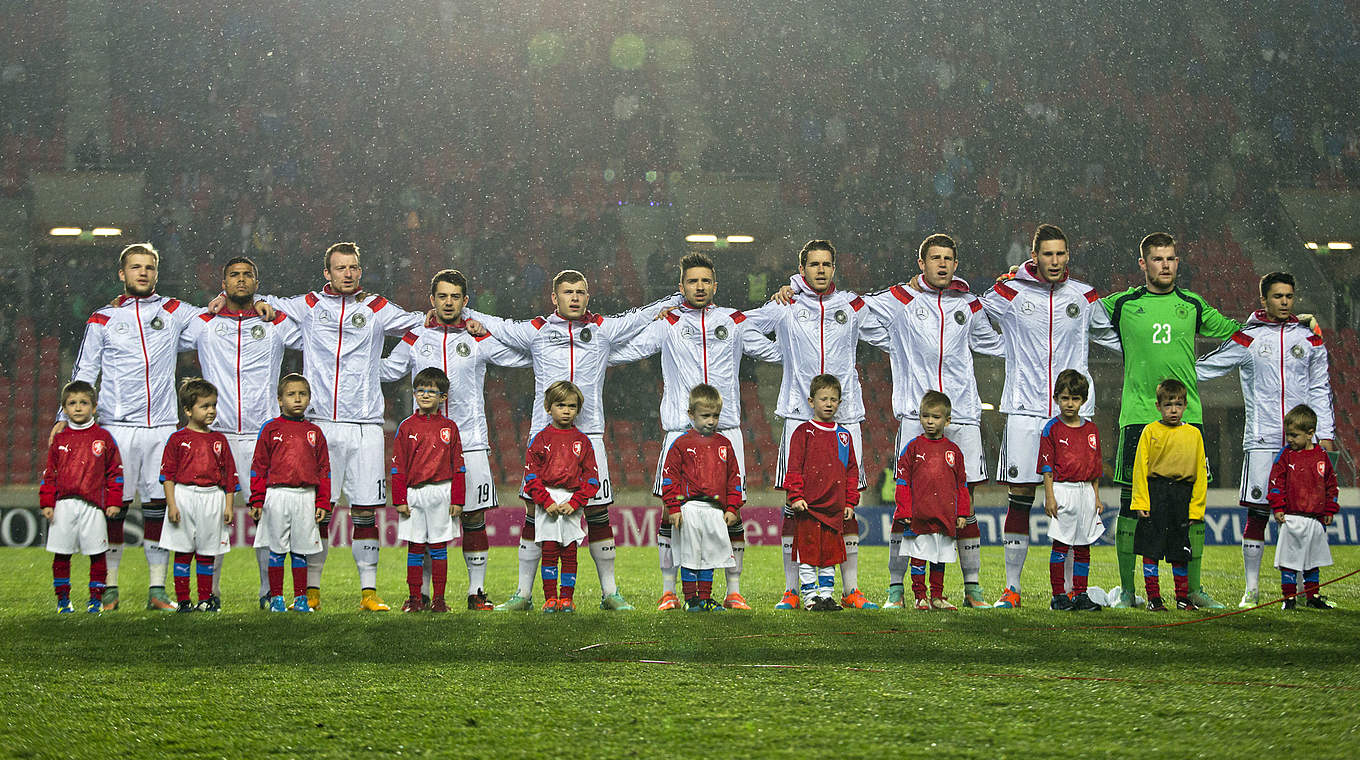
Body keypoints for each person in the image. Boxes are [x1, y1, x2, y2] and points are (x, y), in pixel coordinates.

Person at [463, 269, 679, 612]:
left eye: (580, 292)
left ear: (588, 296)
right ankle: (523, 594)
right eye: (567, 292)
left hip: (589, 436)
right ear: (555, 297)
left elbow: (639, 317)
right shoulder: (537, 331)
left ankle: (610, 593)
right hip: (544, 438)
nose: (574, 297)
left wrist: (676, 300)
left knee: (597, 513)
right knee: (534, 514)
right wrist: (467, 314)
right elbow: (500, 324)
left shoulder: (603, 330)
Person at [249, 242, 425, 611]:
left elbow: (420, 326)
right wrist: (259, 300)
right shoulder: (311, 305)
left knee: (365, 511)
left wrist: (388, 369)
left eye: (353, 267)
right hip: (321, 425)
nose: (347, 273)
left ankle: (369, 592)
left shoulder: (376, 308)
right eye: (340, 268)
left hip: (365, 426)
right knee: (320, 511)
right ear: (326, 273)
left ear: (360, 271)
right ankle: (311, 592)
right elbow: (266, 301)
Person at [608, 253, 779, 611]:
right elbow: (625, 351)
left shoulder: (733, 321)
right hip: (679, 433)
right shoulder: (667, 322)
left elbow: (775, 345)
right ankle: (669, 591)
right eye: (692, 281)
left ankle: (733, 590)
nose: (699, 287)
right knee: (672, 514)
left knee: (732, 512)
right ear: (681, 286)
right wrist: (600, 344)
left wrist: (787, 298)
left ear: (715, 286)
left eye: (705, 281)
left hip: (726, 430)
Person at [63, 244, 211, 611]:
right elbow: (84, 373)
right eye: (135, 268)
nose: (142, 273)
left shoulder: (174, 312)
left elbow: (215, 320)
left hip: (161, 427)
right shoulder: (102, 319)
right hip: (116, 427)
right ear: (122, 274)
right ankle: (109, 589)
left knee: (159, 507)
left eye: (149, 268)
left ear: (156, 273)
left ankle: (157, 591)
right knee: (115, 507)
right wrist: (63, 421)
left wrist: (230, 301)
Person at [862, 234, 1003, 608]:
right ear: (920, 263)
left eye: (948, 259)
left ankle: (971, 587)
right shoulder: (900, 300)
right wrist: (892, 339)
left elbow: (994, 343)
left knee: (964, 505)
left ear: (956, 265)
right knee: (909, 506)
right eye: (935, 258)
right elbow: (852, 314)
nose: (942, 264)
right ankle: (896, 588)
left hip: (964, 416)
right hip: (916, 417)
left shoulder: (969, 305)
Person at [982, 224, 1119, 608]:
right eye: (1048, 255)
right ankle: (1012, 588)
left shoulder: (1085, 295)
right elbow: (968, 313)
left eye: (1061, 254)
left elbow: (1114, 333)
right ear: (1034, 255)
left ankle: (1074, 593)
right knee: (1021, 497)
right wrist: (1004, 349)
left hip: (1074, 413)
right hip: (1026, 410)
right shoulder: (1009, 292)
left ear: (1068, 255)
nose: (1055, 262)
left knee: (1075, 501)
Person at [1102, 233, 1241, 609]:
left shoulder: (1192, 305)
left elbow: (1237, 331)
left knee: (1190, 510)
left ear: (1178, 263)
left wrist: (1280, 320)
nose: (1166, 264)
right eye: (1158, 259)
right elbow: (1074, 313)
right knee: (1131, 507)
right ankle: (1128, 592)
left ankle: (1192, 590)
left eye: (1171, 258)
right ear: (1142, 264)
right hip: (1138, 420)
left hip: (1187, 421)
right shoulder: (1124, 304)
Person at [750, 240, 889, 611]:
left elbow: (889, 333)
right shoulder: (786, 305)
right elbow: (743, 328)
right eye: (814, 264)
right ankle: (792, 590)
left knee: (846, 505)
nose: (822, 270)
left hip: (846, 417)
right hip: (800, 415)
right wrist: (782, 354)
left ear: (834, 268)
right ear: (802, 268)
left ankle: (851, 589)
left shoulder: (852, 305)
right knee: (794, 506)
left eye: (827, 264)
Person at [381, 269, 530, 610]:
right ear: (431, 299)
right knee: (427, 527)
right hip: (424, 445)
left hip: (470, 441)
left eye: (455, 297)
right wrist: (345, 365)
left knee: (474, 519)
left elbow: (518, 358)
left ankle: (475, 593)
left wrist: (491, 332)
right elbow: (390, 370)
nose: (448, 302)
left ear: (465, 302)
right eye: (442, 296)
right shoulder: (415, 336)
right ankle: (421, 596)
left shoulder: (477, 337)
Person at [1195, 272, 1336, 608]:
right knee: (1258, 515)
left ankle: (1307, 592)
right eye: (1277, 297)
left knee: (1307, 517)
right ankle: (1252, 589)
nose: (1284, 302)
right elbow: (1207, 366)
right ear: (1264, 300)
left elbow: (1320, 389)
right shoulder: (1249, 339)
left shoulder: (1311, 340)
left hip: (1303, 443)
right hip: (1262, 439)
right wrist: (1166, 364)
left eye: (1289, 296)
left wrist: (1326, 433)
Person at [180, 256, 300, 608]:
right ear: (223, 282)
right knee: (212, 520)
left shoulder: (274, 324)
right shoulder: (204, 323)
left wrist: (274, 308)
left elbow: (315, 337)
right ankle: (210, 594)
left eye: (248, 275)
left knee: (268, 518)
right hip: (216, 436)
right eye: (234, 275)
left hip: (264, 437)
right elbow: (163, 329)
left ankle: (270, 592)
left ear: (257, 282)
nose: (241, 280)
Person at [249, 374, 331, 613]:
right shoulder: (270, 428)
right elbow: (259, 466)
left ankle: (301, 599)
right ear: (280, 400)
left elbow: (324, 469)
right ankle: (276, 598)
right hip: (277, 495)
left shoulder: (314, 432)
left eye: (302, 394)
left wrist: (323, 501)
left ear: (309, 398)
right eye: (291, 394)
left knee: (300, 551)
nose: (297, 399)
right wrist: (257, 498)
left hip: (306, 496)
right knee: (276, 550)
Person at [40, 381, 122, 614]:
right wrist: (47, 502)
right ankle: (63, 600)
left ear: (94, 407)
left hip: (93, 506)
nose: (77, 408)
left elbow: (115, 472)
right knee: (62, 554)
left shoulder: (103, 437)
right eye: (72, 403)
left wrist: (114, 501)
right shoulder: (60, 439)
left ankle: (95, 600)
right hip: (64, 505)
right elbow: (50, 473)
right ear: (64, 409)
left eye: (83, 403)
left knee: (97, 554)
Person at [659, 384, 742, 612]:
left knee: (709, 556)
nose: (711, 421)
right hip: (690, 508)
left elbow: (734, 478)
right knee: (690, 555)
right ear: (691, 415)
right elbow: (670, 478)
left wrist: (732, 507)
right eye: (705, 416)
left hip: (715, 509)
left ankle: (705, 598)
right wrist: (673, 507)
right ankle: (690, 599)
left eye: (715, 416)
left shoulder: (724, 445)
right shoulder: (682, 444)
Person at [391, 368, 467, 613]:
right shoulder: (406, 427)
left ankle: (439, 600)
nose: (424, 395)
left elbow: (459, 466)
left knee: (438, 549)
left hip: (442, 493)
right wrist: (400, 498)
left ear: (442, 397)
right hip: (414, 495)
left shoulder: (449, 427)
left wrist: (457, 498)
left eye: (431, 391)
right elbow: (398, 466)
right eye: (420, 390)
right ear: (414, 393)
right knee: (414, 548)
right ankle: (414, 599)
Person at [782, 375, 861, 611]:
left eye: (834, 400)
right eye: (823, 399)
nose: (829, 404)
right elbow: (794, 467)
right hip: (809, 508)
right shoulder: (803, 432)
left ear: (839, 402)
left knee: (829, 555)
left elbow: (851, 471)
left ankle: (826, 595)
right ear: (811, 401)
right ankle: (810, 597)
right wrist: (795, 496)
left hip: (834, 509)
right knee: (807, 554)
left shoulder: (844, 435)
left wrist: (850, 502)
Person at [159, 378, 238, 613]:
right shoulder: (177, 439)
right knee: (183, 552)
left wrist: (229, 506)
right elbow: (168, 476)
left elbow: (229, 477)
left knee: (207, 552)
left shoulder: (219, 440)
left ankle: (205, 599)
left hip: (212, 497)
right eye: (205, 406)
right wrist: (172, 505)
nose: (211, 410)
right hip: (184, 497)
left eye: (213, 405)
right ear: (187, 410)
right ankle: (183, 600)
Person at [522, 381, 600, 614]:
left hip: (570, 502)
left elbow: (592, 479)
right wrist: (545, 501)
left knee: (569, 552)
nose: (566, 410)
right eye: (560, 405)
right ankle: (550, 599)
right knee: (548, 550)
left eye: (572, 406)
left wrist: (576, 502)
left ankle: (567, 598)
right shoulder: (540, 439)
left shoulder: (583, 441)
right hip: (548, 501)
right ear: (548, 408)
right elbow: (531, 476)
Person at [1130, 378, 1208, 612]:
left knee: (1179, 549)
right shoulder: (1150, 431)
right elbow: (1140, 469)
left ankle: (1182, 598)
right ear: (1158, 406)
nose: (1173, 409)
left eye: (1178, 404)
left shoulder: (1194, 434)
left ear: (1186, 405)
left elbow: (1200, 474)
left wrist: (1196, 509)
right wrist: (1141, 501)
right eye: (1167, 404)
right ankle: (1154, 599)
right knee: (1151, 548)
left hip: (1181, 497)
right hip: (1156, 494)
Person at [893, 390, 970, 611]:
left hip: (944, 514)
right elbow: (903, 482)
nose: (929, 421)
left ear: (947, 420)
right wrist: (904, 511)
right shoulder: (912, 448)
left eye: (935, 417)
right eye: (925, 416)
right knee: (919, 556)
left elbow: (961, 485)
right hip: (919, 516)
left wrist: (962, 512)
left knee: (939, 557)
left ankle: (937, 596)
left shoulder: (953, 451)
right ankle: (920, 597)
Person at [1038, 370, 1104, 612]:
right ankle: (1058, 595)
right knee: (1061, 545)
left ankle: (1080, 594)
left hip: (1086, 491)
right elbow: (1047, 467)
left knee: (1083, 546)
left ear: (1083, 400)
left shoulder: (1092, 430)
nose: (1070, 403)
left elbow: (1095, 468)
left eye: (1075, 399)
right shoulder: (1051, 428)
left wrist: (1096, 497)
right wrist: (1050, 496)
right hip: (1063, 490)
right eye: (1065, 398)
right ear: (1056, 399)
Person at [1268, 404, 1338, 610]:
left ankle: (1312, 596)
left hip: (1315, 518)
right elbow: (1275, 482)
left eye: (1294, 435)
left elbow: (1331, 485)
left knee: (1311, 560)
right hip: (1292, 517)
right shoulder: (1286, 455)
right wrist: (1278, 507)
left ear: (1310, 434)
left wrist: (1330, 510)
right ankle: (1288, 598)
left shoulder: (1322, 456)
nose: (1289, 439)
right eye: (1288, 434)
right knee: (1289, 560)